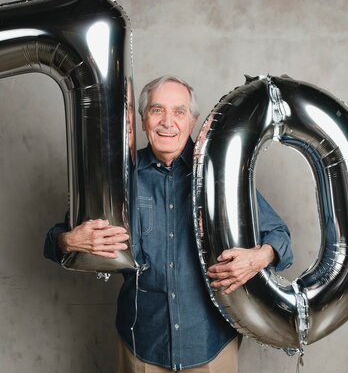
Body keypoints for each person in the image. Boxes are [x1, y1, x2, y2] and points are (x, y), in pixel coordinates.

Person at [44, 75, 293, 372]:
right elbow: (53, 240)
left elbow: (281, 238)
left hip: (211, 346)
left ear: (193, 121)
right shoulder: (119, 179)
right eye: (157, 110)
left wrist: (258, 257)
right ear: (143, 119)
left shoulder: (220, 176)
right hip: (142, 345)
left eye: (179, 112)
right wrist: (69, 241)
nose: (167, 122)